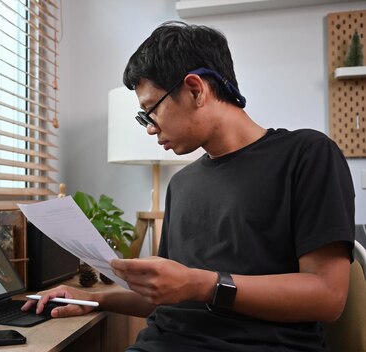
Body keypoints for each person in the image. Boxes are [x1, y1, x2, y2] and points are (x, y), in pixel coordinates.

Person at [22, 21, 356, 351]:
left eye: (150, 111)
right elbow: (167, 297)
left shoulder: (307, 155)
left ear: (196, 89)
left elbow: (327, 296)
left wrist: (203, 284)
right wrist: (95, 298)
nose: (150, 129)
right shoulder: (182, 184)